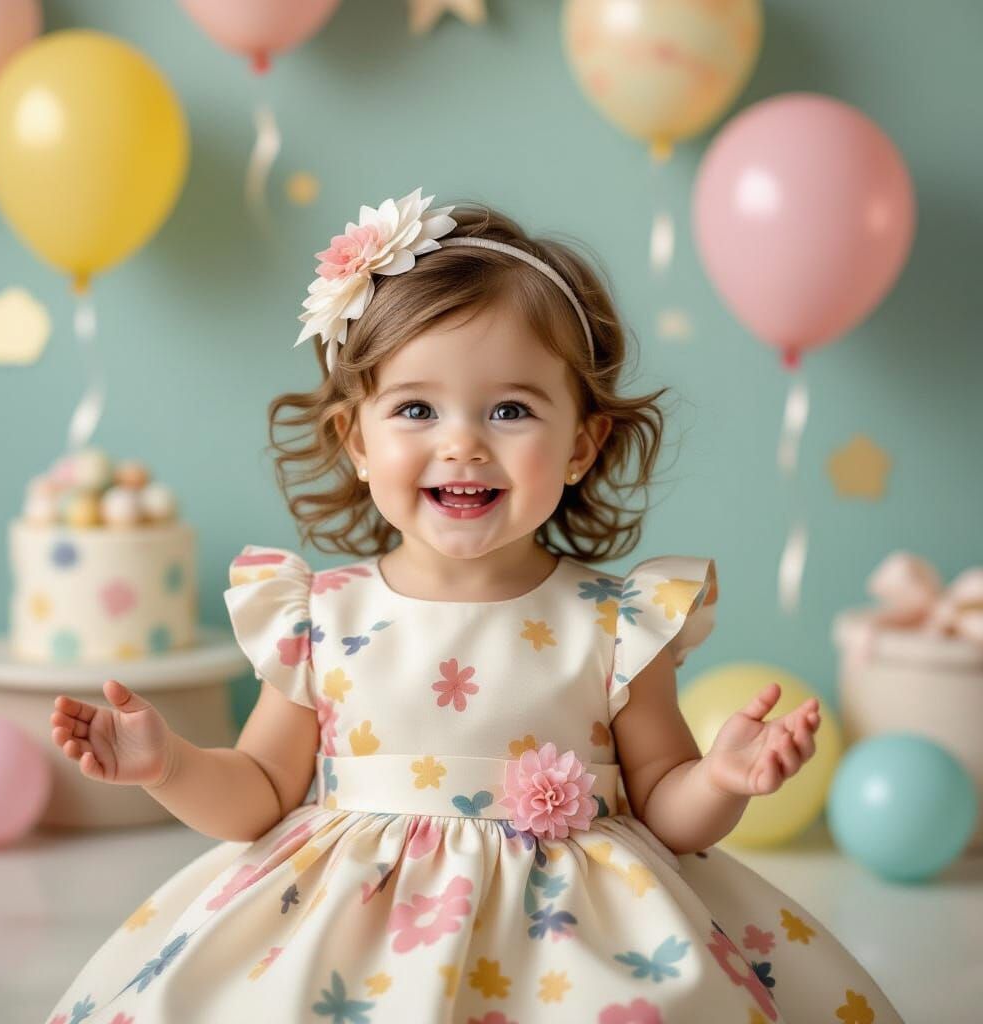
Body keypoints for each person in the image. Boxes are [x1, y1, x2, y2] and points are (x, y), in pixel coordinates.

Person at [45, 188, 904, 1023]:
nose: (463, 442)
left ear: (581, 443)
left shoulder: (615, 622)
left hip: (572, 941)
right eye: (416, 407)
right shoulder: (320, 616)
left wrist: (720, 780)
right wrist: (166, 766)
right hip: (351, 937)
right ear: (356, 440)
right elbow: (261, 793)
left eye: (510, 409)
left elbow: (667, 810)